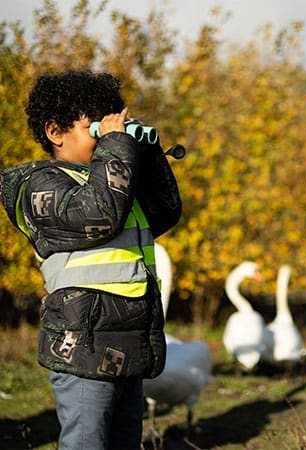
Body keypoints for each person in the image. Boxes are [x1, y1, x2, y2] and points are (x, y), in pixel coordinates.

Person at [0, 70, 182, 449]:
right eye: (94, 128)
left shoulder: (113, 182)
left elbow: (164, 211)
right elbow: (96, 215)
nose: (105, 139)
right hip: (83, 348)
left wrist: (145, 154)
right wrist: (116, 144)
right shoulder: (41, 185)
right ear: (55, 131)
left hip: (130, 344)